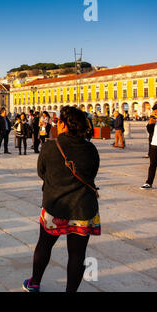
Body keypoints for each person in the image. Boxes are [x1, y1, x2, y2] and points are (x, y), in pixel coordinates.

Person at [23, 106, 100, 293]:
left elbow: (42, 173)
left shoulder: (50, 146)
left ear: (63, 125)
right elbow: (92, 174)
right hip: (82, 207)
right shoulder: (90, 148)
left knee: (44, 245)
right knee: (77, 254)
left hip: (55, 206)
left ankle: (34, 283)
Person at [140, 103, 157, 192]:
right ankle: (149, 182)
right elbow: (150, 131)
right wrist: (150, 124)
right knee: (152, 165)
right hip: (155, 145)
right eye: (155, 112)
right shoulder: (155, 118)